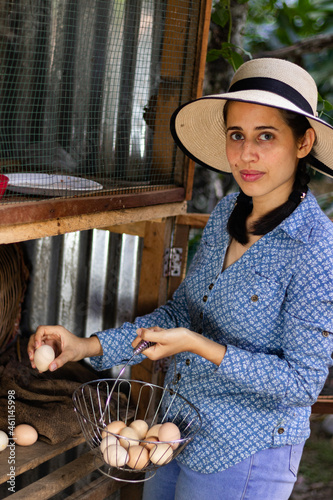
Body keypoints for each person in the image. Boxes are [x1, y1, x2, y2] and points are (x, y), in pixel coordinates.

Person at [28, 58, 333, 500]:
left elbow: (302, 382)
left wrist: (197, 345)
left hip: (245, 451)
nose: (247, 154)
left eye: (266, 136)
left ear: (303, 142)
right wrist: (85, 346)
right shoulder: (228, 213)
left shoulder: (317, 247)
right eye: (237, 135)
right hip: (176, 431)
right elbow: (182, 313)